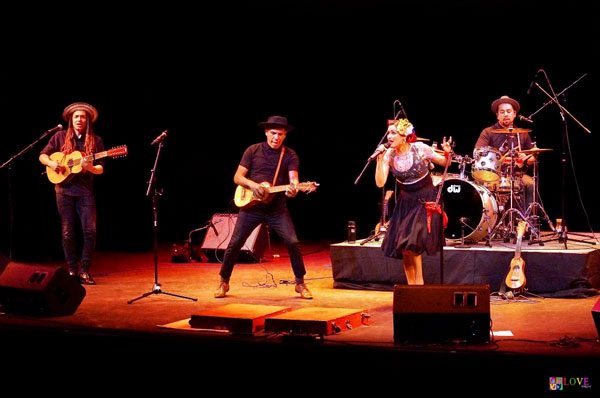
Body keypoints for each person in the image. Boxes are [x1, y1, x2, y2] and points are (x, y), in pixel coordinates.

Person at [214, 115, 316, 299]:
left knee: (293, 242)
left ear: (285, 135)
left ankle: (300, 283)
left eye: (281, 134)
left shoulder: (290, 155)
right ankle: (224, 281)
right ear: (266, 132)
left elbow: (294, 181)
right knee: (235, 243)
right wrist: (254, 186)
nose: (276, 138)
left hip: (276, 209)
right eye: (273, 133)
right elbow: (238, 177)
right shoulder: (252, 150)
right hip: (251, 207)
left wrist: (294, 190)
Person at [375, 118, 452, 285]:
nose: (389, 136)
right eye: (388, 133)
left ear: (405, 135)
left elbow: (445, 163)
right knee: (404, 247)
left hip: (425, 200)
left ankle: (419, 284)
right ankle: (411, 287)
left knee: (413, 241)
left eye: (394, 133)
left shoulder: (420, 149)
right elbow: (380, 182)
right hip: (406, 202)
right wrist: (379, 160)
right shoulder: (389, 155)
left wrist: (447, 152)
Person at [39, 102, 105, 285]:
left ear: (88, 120)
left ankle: (84, 270)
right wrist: (52, 164)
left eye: (83, 117)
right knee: (67, 232)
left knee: (90, 231)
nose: (79, 119)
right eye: (76, 116)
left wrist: (90, 167)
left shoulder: (95, 140)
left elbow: (100, 169)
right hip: (63, 191)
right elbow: (43, 155)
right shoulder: (60, 137)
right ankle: (72, 270)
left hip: (85, 191)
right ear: (71, 119)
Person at [474, 95, 535, 211]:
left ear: (515, 113)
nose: (506, 114)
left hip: (517, 175)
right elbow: (477, 152)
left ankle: (525, 221)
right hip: (494, 174)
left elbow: (533, 157)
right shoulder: (488, 132)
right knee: (479, 186)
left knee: (531, 183)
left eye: (508, 111)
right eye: (502, 112)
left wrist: (525, 158)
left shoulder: (523, 134)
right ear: (497, 115)